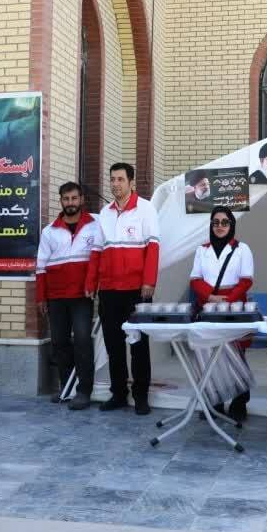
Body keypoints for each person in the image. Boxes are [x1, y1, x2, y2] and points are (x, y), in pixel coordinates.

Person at [94, 162, 159, 415]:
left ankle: (141, 397)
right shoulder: (105, 213)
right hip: (109, 290)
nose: (115, 184)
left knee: (139, 345)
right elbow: (97, 251)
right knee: (114, 346)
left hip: (137, 291)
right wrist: (92, 284)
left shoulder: (146, 209)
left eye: (120, 179)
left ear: (131, 182)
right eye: (112, 179)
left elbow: (153, 248)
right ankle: (119, 394)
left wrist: (149, 281)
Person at [36, 182, 103, 410]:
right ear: (61, 201)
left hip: (82, 296)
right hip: (56, 296)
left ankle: (84, 391)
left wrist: (93, 284)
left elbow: (99, 258)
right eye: (66, 199)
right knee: (59, 342)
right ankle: (66, 388)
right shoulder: (49, 231)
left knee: (83, 340)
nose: (70, 203)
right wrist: (41, 297)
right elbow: (41, 267)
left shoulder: (95, 225)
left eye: (74, 198)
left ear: (81, 199)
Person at [190, 206, 255, 420]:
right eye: (216, 222)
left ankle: (239, 402)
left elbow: (246, 280)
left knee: (236, 355)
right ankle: (214, 401)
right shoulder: (202, 250)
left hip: (234, 307)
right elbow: (195, 279)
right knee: (210, 355)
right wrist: (211, 297)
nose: (220, 226)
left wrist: (228, 300)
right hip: (208, 305)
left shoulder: (242, 249)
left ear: (231, 225)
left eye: (225, 222)